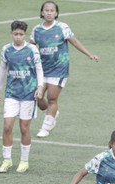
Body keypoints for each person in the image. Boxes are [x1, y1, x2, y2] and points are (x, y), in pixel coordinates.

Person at [30, 1, 99, 138]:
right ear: (42, 12)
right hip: (42, 69)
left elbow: (75, 41)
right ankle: (51, 113)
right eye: (46, 10)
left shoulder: (62, 27)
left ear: (56, 13)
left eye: (52, 10)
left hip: (59, 69)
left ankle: (46, 127)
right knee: (37, 96)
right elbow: (31, 48)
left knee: (52, 99)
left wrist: (89, 54)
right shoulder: (36, 30)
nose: (49, 13)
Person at [0, 20, 44, 173]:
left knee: (24, 128)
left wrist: (40, 88)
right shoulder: (6, 50)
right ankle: (7, 160)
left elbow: (39, 69)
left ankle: (24, 161)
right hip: (11, 94)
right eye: (15, 34)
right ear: (11, 34)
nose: (18, 37)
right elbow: (2, 69)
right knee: (7, 126)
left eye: (21, 34)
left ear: (25, 35)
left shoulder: (32, 50)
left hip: (28, 94)